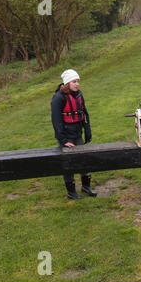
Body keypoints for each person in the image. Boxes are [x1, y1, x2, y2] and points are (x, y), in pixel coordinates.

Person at [51, 69, 97, 199]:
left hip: (77, 134)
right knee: (68, 163)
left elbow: (84, 114)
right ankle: (71, 192)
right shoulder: (58, 98)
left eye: (78, 81)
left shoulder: (78, 94)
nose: (77, 84)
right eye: (74, 81)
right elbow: (56, 121)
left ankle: (86, 186)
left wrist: (87, 131)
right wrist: (63, 139)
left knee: (84, 159)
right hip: (66, 136)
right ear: (67, 83)